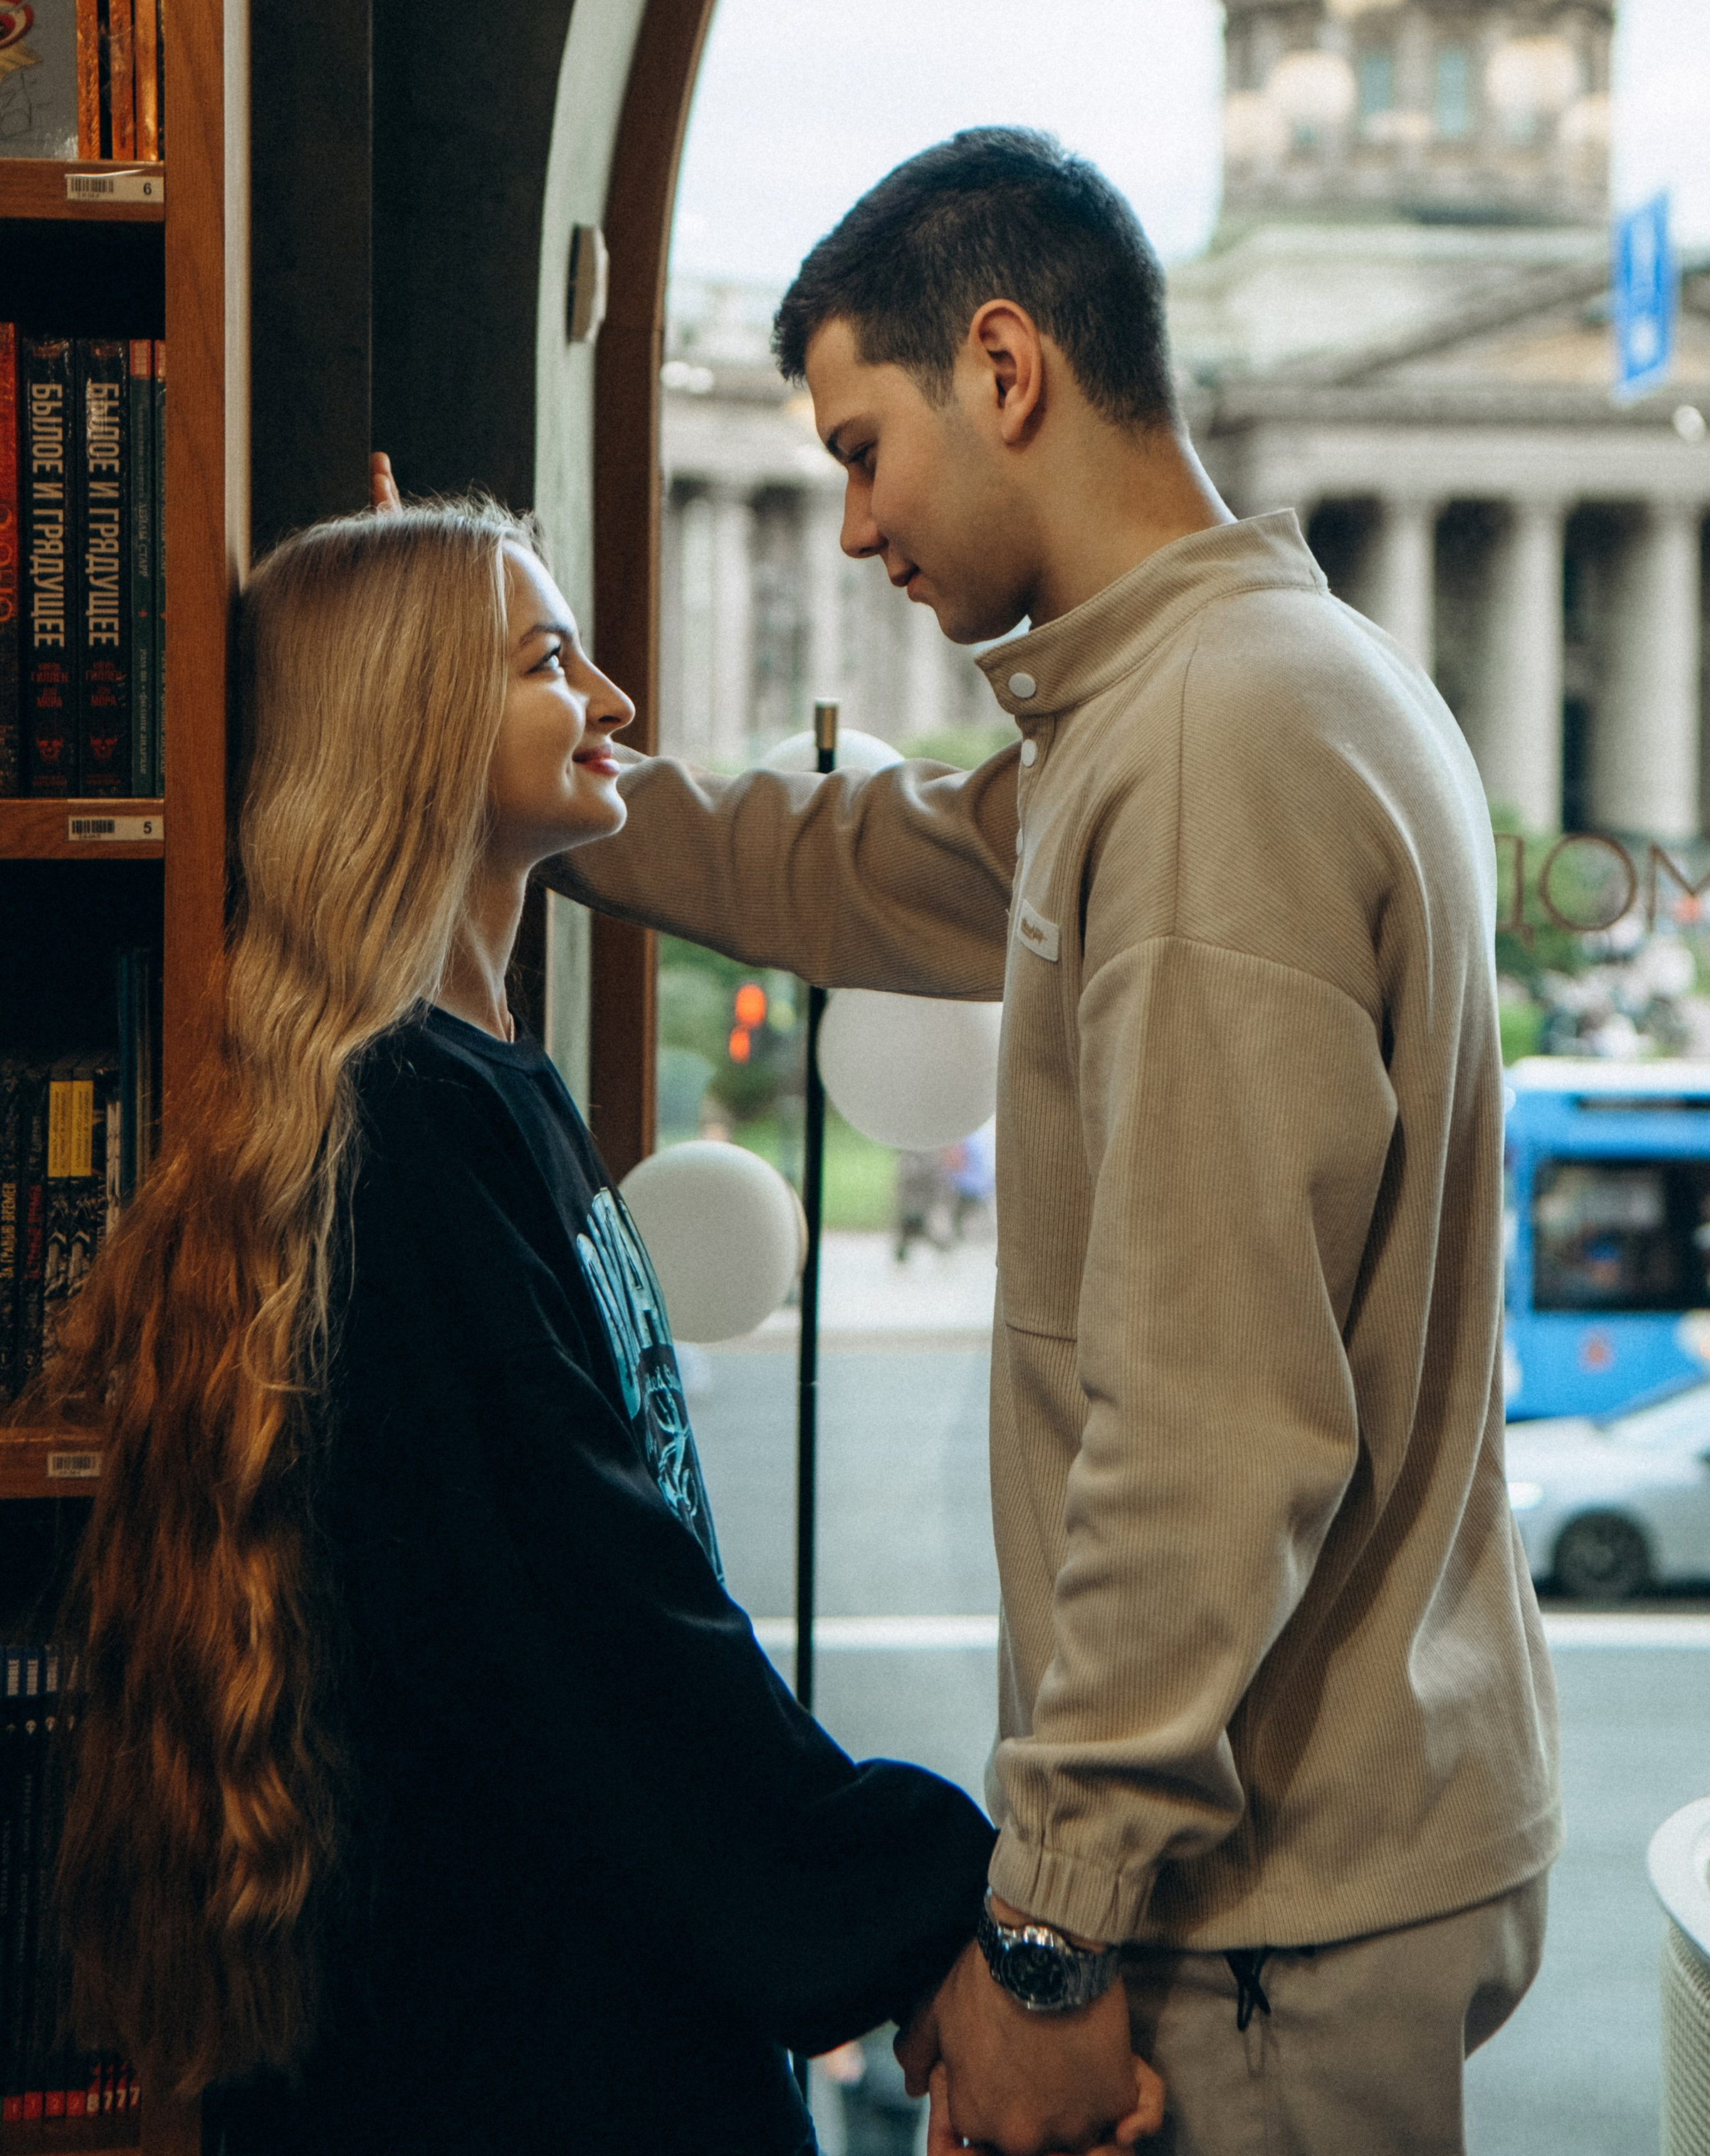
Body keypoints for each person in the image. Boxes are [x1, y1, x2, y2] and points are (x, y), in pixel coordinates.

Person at [538, 127, 1564, 2156]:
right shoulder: (1227, 692)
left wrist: (1048, 1933)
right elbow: (860, 863)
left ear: (1004, 367)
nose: (849, 531)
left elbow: (1209, 1414)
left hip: (1254, 1915)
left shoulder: (1208, 749)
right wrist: (547, 776)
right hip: (1314, 1870)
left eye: (860, 451)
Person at [34, 494, 1165, 2155]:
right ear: (411, 725)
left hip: (561, 2002)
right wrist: (924, 1920)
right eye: (548, 660)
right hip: (506, 2054)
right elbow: (589, 1613)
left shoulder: (479, 1085)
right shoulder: (403, 1128)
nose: (616, 701)